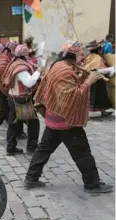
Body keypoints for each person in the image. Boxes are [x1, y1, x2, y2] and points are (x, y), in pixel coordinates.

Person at [24, 41, 113, 194]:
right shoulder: (64, 70)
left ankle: (31, 178)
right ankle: (93, 185)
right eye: (80, 55)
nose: (82, 58)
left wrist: (83, 74)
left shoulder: (58, 65)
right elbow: (71, 97)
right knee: (82, 152)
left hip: (53, 118)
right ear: (73, 55)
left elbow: (68, 86)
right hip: (66, 120)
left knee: (43, 149)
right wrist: (88, 81)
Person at [2, 45, 41, 155]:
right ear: (25, 55)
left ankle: (11, 148)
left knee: (13, 124)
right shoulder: (21, 67)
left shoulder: (13, 63)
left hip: (13, 98)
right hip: (20, 100)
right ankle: (31, 147)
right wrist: (38, 72)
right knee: (34, 122)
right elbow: (29, 83)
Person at [84, 40, 114, 116]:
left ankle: (87, 113)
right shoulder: (98, 57)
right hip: (98, 79)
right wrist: (111, 69)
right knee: (101, 96)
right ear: (98, 49)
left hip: (90, 79)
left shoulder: (89, 57)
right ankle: (103, 112)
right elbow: (99, 69)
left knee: (90, 96)